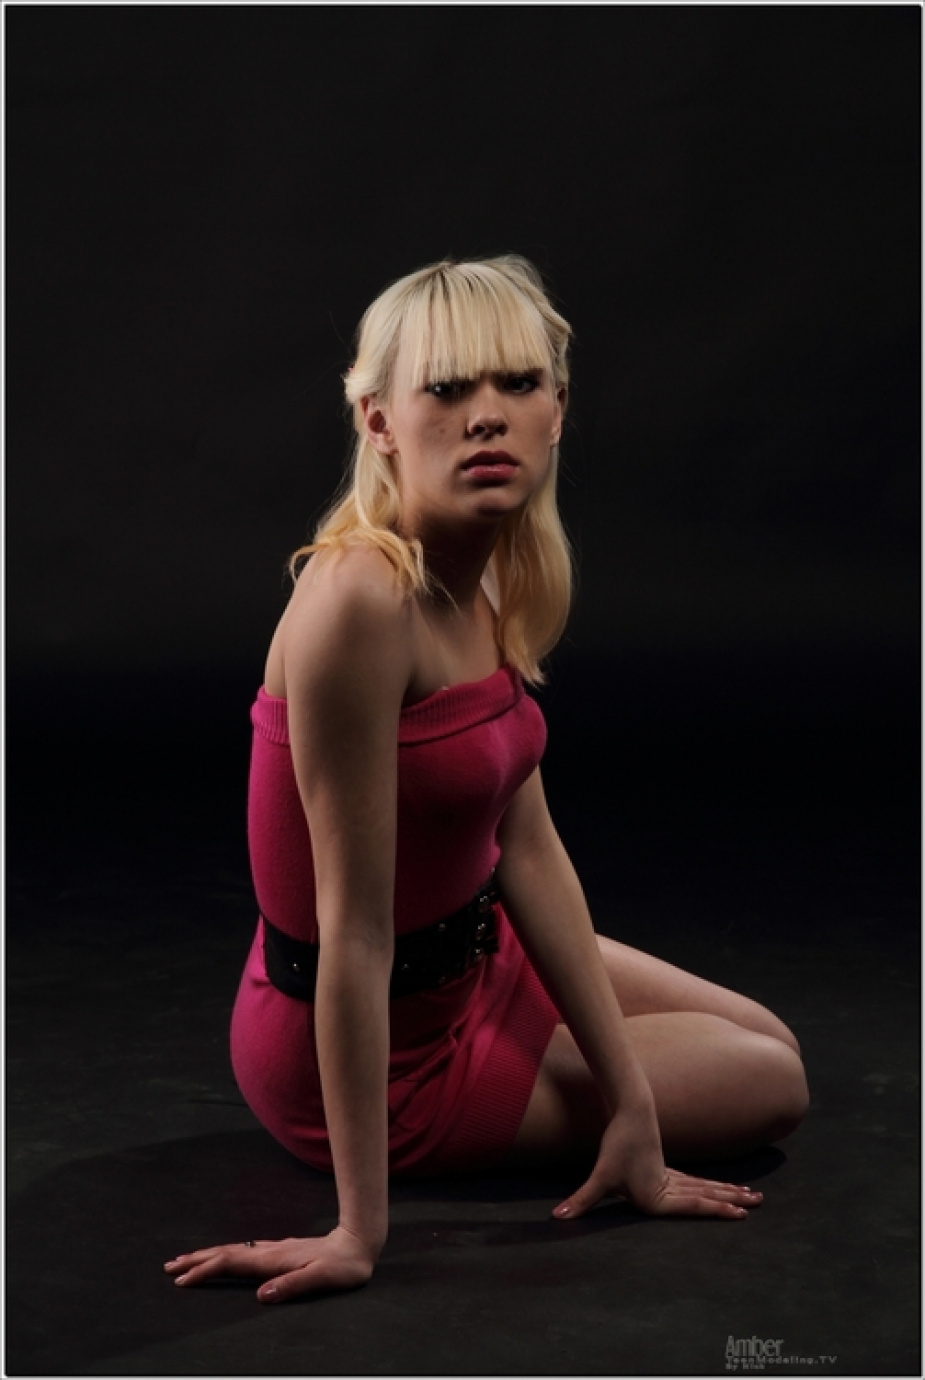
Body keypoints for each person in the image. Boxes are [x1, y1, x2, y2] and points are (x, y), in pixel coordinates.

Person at [164, 256, 809, 1304]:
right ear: (378, 421)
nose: (486, 416)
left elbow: (527, 849)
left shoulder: (486, 572)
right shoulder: (359, 603)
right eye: (447, 388)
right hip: (377, 1057)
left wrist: (631, 1109)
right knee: (771, 1082)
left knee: (767, 1040)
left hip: (476, 964)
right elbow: (352, 931)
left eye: (517, 383)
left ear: (557, 410)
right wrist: (356, 1232)